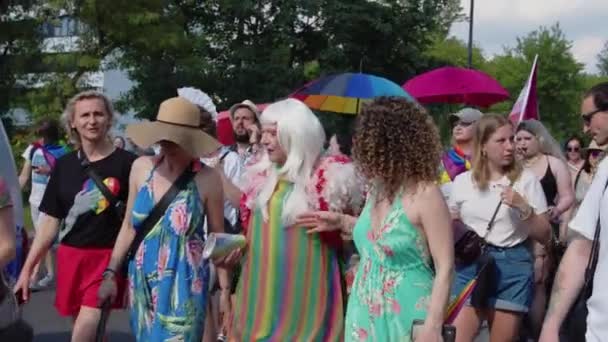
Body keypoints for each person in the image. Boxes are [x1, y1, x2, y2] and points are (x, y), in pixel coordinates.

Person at [299, 97, 455, 341]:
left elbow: (445, 266)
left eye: (371, 147)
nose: (363, 155)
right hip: (364, 310)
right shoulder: (376, 189)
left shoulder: (426, 194)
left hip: (407, 312)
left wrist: (433, 325)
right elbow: (380, 240)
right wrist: (342, 222)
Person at [220, 98, 364, 340]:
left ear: (296, 135)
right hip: (261, 298)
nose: (264, 140)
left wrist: (342, 225)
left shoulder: (331, 178)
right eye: (264, 133)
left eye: (272, 134)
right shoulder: (261, 175)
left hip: (308, 301)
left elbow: (353, 239)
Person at [96, 97, 228, 342]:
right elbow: (128, 227)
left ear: (191, 138)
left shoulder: (208, 179)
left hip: (184, 284)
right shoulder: (141, 167)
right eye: (163, 138)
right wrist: (110, 274)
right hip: (142, 279)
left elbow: (217, 238)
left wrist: (225, 293)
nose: (167, 145)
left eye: (174, 139)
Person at [13, 91, 138, 341]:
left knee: (83, 333)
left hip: (107, 260)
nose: (92, 121)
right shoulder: (65, 165)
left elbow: (132, 221)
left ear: (109, 120)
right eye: (85, 115)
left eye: (98, 114)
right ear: (73, 122)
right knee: (87, 332)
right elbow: (49, 222)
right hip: (70, 258)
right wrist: (27, 270)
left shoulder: (129, 164)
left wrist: (116, 269)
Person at [449, 114, 551, 342]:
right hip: (471, 264)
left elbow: (545, 234)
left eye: (512, 139)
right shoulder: (463, 182)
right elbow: (450, 225)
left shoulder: (526, 180)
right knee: (456, 337)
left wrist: (523, 207)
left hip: (512, 265)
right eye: (501, 141)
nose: (510, 146)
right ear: (483, 146)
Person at [539, 82, 608, 342]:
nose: (585, 128)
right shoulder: (605, 171)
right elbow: (581, 248)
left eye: (588, 118)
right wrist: (551, 326)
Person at [177, 87, 243, 341]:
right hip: (189, 240)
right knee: (201, 303)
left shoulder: (230, 160)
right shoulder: (181, 162)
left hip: (220, 235)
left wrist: (218, 174)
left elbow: (237, 205)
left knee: (213, 299)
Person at [515, 119, 575, 337]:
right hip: (515, 230)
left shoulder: (554, 163)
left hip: (542, 229)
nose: (522, 143)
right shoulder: (513, 164)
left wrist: (557, 210)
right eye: (518, 139)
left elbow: (568, 196)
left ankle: (537, 332)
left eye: (527, 138)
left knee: (539, 280)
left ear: (539, 139)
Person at [18, 119, 69, 289]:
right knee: (44, 241)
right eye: (40, 136)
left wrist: (50, 170)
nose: (42, 140)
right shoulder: (33, 150)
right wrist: (12, 195)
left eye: (45, 136)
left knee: (41, 238)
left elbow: (70, 175)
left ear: (52, 135)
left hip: (52, 202)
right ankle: (50, 274)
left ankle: (32, 278)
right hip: (34, 200)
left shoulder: (63, 152)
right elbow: (24, 176)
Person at [439, 108, 483, 200]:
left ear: (480, 127)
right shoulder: (442, 160)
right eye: (455, 125)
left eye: (465, 124)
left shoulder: (488, 159)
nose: (458, 128)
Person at [228, 100, 261, 166]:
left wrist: (255, 143)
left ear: (256, 123)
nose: (240, 122)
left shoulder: (266, 149)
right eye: (236, 118)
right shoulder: (226, 154)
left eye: (245, 118)